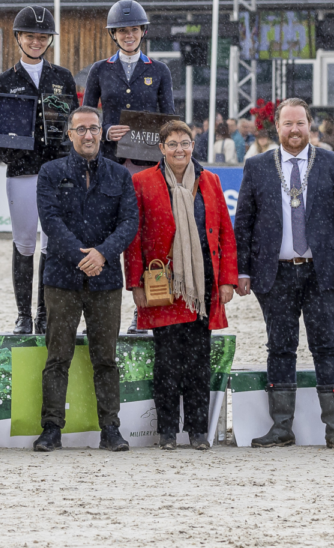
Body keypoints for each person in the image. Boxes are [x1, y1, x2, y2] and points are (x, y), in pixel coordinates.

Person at [234, 98, 334, 449]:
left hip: (323, 274)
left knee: (327, 347)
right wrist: (242, 270)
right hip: (274, 275)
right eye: (287, 124)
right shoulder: (257, 166)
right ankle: (281, 427)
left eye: (300, 123)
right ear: (276, 127)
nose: (294, 130)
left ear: (311, 125)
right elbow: (243, 224)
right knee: (279, 347)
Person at [126, 120, 238, 450]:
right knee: (166, 362)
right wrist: (135, 284)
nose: (179, 149)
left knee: (198, 362)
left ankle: (199, 432)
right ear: (161, 148)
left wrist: (228, 280)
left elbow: (226, 234)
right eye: (172, 144)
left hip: (201, 286)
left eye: (185, 143)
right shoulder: (142, 182)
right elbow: (134, 238)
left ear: (193, 145)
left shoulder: (210, 180)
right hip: (163, 286)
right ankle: (167, 433)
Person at [32, 107, 138, 453]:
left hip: (106, 279)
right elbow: (50, 222)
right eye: (82, 130)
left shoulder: (119, 176)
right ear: (70, 133)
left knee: (106, 358)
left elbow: (129, 223)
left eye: (94, 129)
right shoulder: (50, 172)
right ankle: (51, 429)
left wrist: (102, 254)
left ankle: (110, 428)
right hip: (62, 277)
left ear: (102, 131)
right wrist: (81, 257)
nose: (89, 135)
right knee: (57, 357)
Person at [0, 6, 78, 335]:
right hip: (23, 171)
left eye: (42, 37)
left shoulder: (62, 78)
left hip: (56, 169)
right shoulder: (6, 80)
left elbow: (71, 121)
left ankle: (43, 312)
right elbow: (0, 129)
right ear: (19, 38)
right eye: (30, 36)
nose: (36, 41)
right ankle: (22, 314)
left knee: (50, 243)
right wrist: (10, 149)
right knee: (24, 242)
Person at [82, 0, 175, 171]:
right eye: (122, 31)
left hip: (148, 160)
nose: (129, 35)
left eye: (134, 29)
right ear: (114, 34)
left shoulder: (160, 70)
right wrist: (106, 131)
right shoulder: (99, 69)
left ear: (143, 31)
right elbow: (86, 115)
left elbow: (169, 118)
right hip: (110, 158)